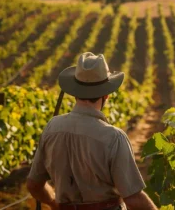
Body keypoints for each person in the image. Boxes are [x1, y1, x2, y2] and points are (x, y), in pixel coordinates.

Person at [26, 52, 158, 210]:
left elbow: (34, 185)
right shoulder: (113, 137)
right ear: (106, 95)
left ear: (74, 92)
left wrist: (54, 202)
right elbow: (134, 200)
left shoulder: (52, 128)